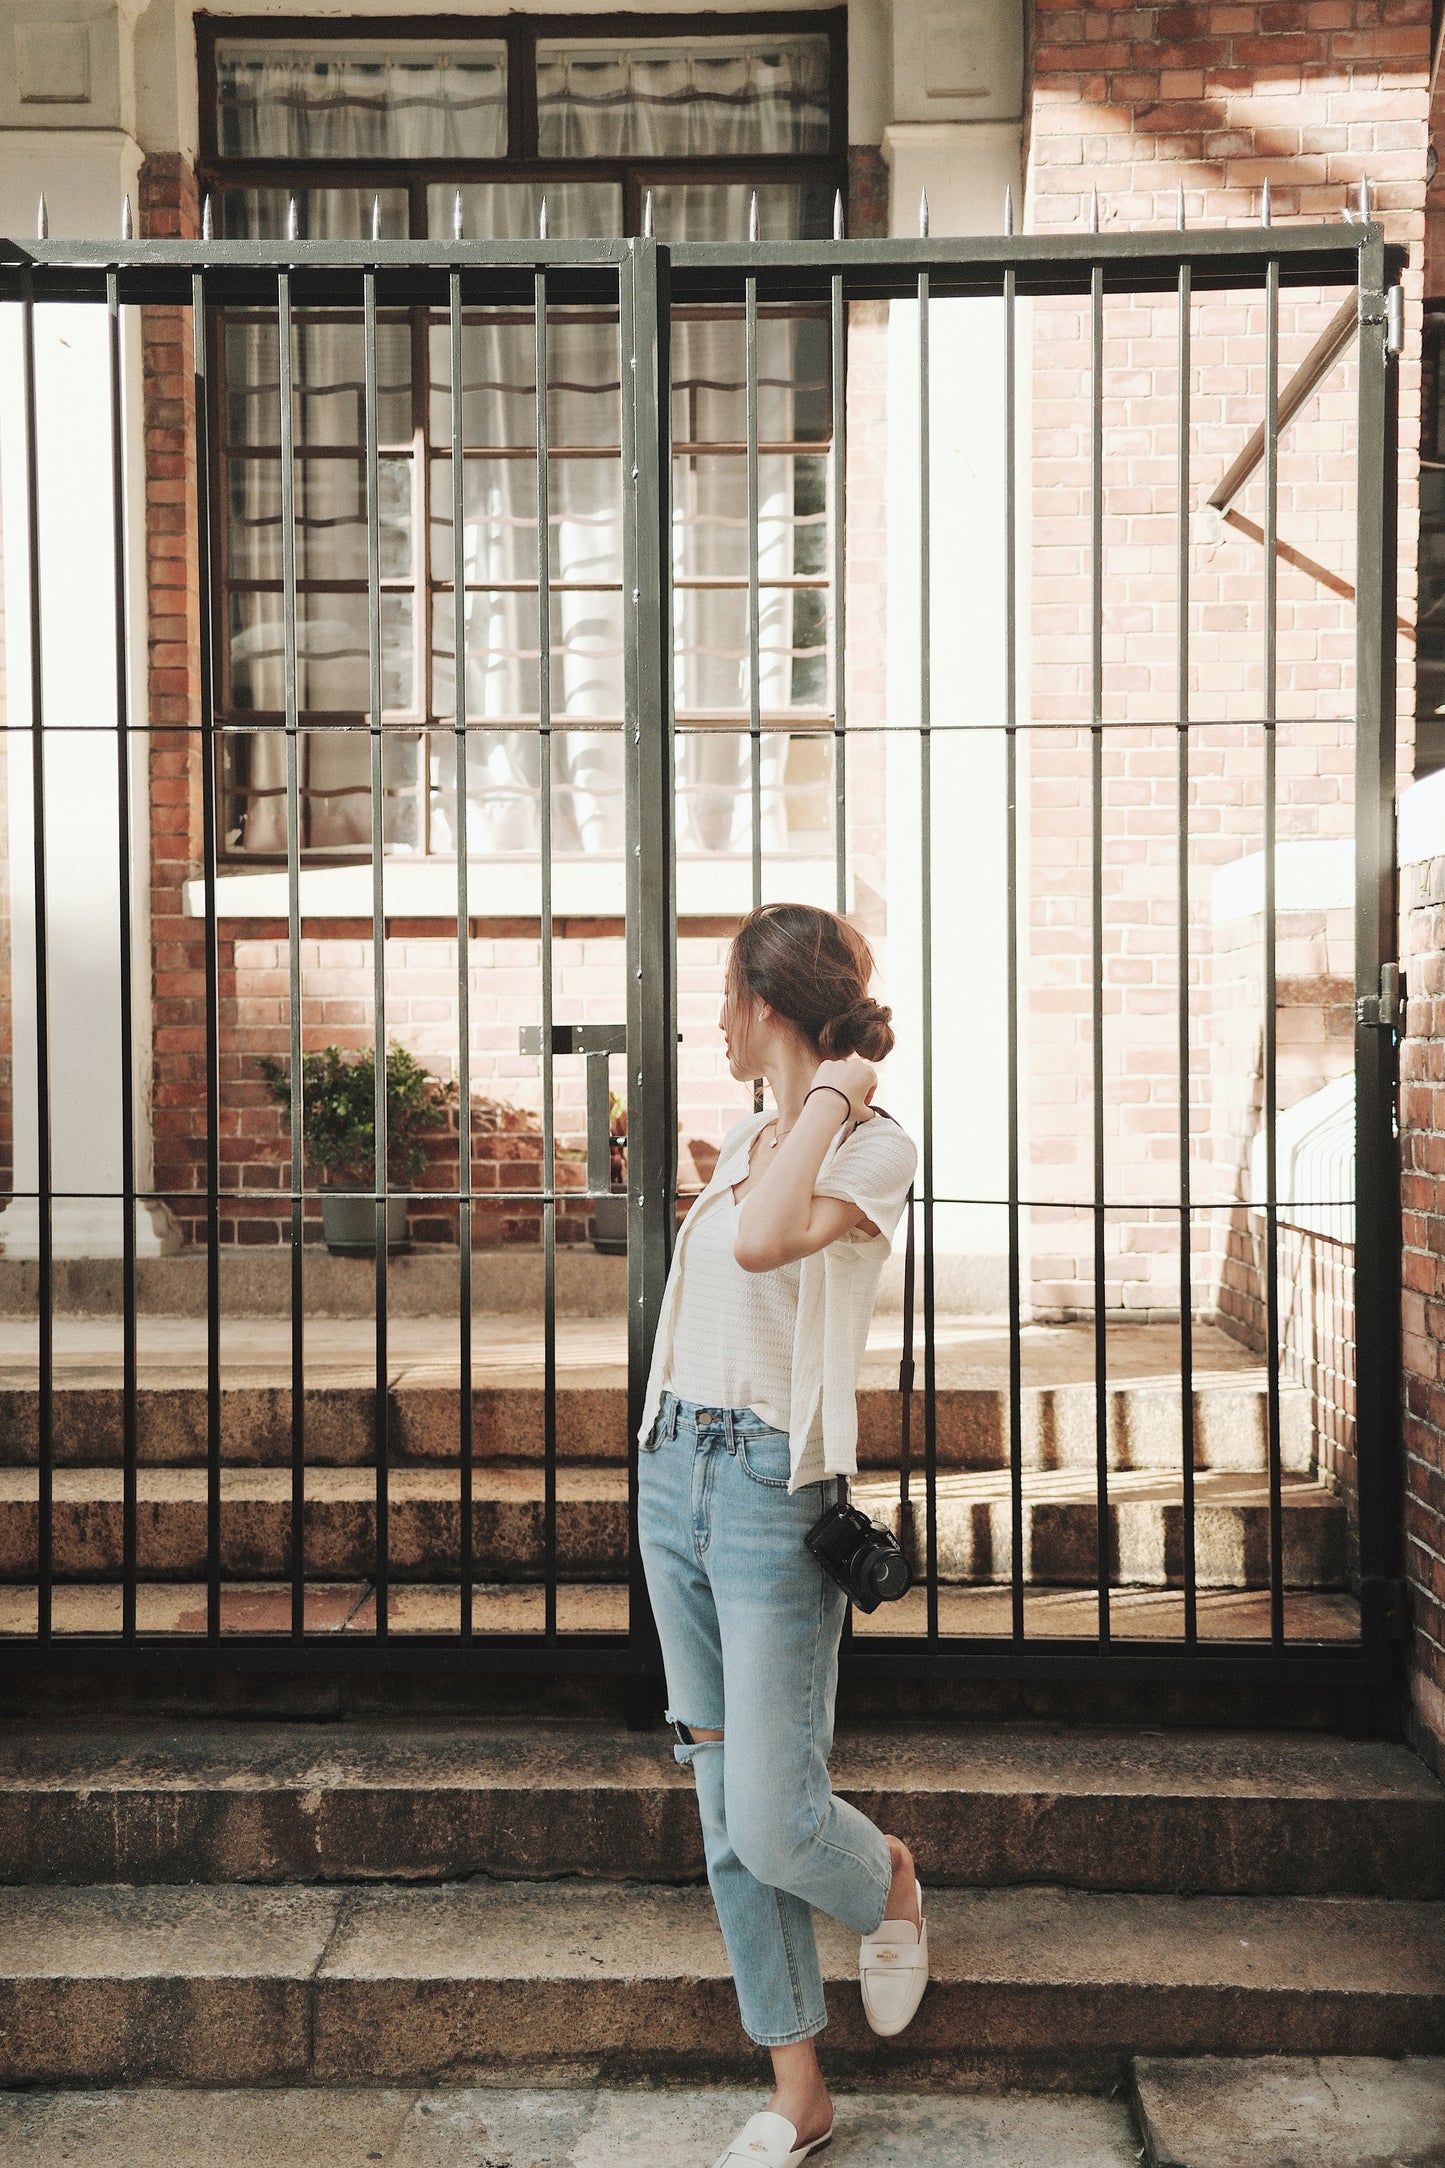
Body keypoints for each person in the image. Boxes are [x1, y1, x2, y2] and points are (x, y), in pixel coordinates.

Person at [636, 901, 926, 2168]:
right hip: (671, 1476)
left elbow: (760, 1244)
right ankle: (796, 2089)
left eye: (723, 989)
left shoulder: (868, 1147)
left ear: (766, 1004)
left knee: (769, 1810)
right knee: (719, 1808)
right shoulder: (762, 1132)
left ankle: (885, 1882)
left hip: (766, 1492)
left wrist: (837, 1092)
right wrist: (785, 1116)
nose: (710, 1011)